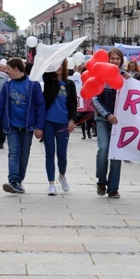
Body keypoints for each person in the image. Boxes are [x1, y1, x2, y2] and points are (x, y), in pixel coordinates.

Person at [0, 58, 45, 194]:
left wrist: (39, 127)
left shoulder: (33, 85)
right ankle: (13, 180)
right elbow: (0, 106)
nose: (6, 71)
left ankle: (19, 180)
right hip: (12, 126)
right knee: (13, 152)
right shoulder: (7, 85)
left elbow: (40, 106)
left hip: (27, 127)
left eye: (8, 69)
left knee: (24, 155)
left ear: (16, 69)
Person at [93, 48, 125, 199]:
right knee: (104, 149)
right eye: (112, 59)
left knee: (117, 154)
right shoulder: (100, 76)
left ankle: (113, 188)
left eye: (118, 59)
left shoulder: (126, 77)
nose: (115, 61)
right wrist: (107, 114)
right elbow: (95, 99)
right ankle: (101, 181)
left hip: (120, 121)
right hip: (103, 119)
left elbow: (138, 90)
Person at [42, 58, 77, 196]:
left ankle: (62, 175)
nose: (58, 68)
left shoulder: (69, 84)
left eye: (60, 65)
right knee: (49, 153)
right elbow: (44, 72)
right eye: (55, 66)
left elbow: (73, 102)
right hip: (48, 122)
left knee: (62, 154)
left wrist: (73, 119)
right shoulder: (49, 81)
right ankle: (51, 184)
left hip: (63, 122)